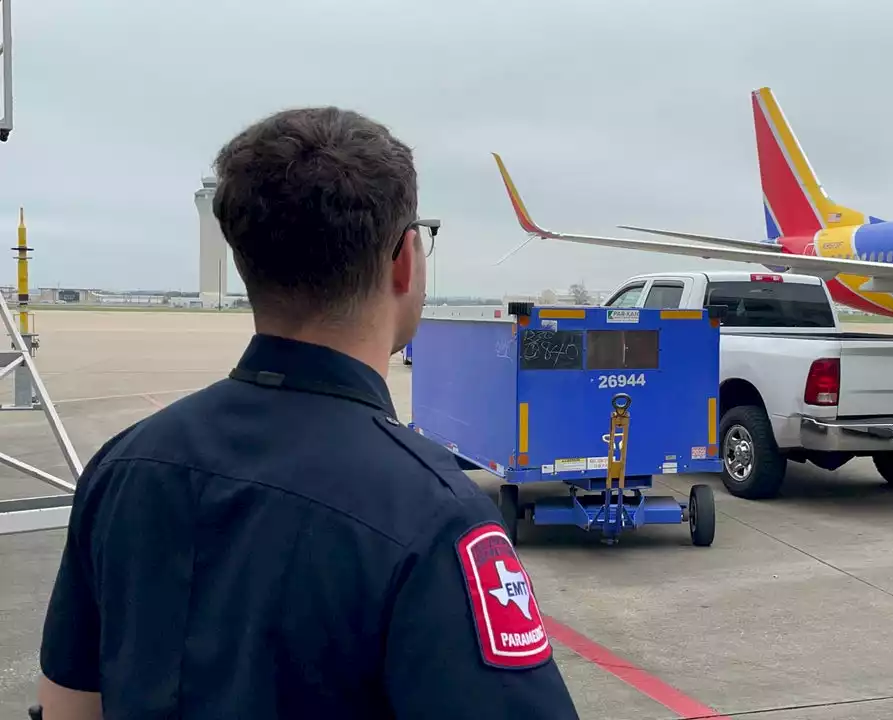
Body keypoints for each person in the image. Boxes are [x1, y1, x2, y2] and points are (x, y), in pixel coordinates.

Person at [35, 107, 580, 719]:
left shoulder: (123, 466)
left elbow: (68, 704)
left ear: (246, 265)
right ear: (405, 261)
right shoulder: (434, 514)